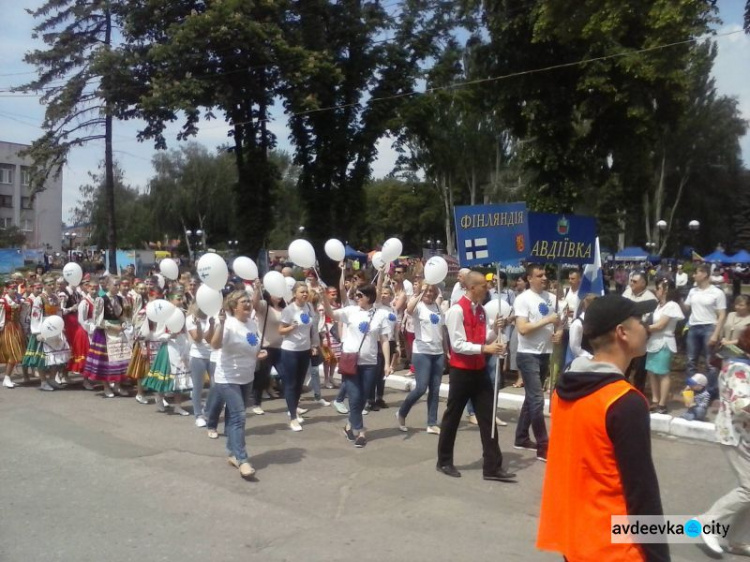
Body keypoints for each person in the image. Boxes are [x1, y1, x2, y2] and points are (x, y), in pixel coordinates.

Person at [537, 294, 666, 561]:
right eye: (640, 321)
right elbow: (642, 492)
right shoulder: (624, 401)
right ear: (622, 333)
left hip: (575, 543)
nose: (646, 327)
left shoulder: (563, 390)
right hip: (617, 550)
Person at [436, 271, 516, 481]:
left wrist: (495, 329)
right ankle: (444, 460)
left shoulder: (481, 310)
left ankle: (492, 466)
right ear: (472, 288)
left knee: (488, 418)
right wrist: (485, 349)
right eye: (483, 285)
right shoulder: (456, 311)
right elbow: (458, 345)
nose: (487, 288)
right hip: (461, 371)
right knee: (452, 416)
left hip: (479, 370)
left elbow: (484, 338)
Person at [697, 325, 750, 555]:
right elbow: (742, 404)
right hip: (735, 433)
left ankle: (738, 539)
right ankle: (707, 521)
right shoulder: (740, 367)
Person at [321, 283, 391, 448]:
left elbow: (385, 340)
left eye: (360, 295)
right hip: (350, 361)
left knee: (363, 398)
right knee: (354, 397)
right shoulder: (350, 311)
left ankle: (348, 426)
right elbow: (331, 314)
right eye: (356, 295)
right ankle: (360, 431)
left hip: (370, 363)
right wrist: (324, 298)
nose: (356, 298)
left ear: (369, 297)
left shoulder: (380, 314)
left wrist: (387, 363)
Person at [208, 291, 265, 480]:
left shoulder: (252, 323)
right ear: (234, 307)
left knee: (233, 417)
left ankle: (232, 453)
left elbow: (252, 345)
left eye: (249, 301)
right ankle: (242, 460)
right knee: (240, 417)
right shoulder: (229, 324)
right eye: (244, 302)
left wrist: (258, 354)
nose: (248, 304)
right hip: (227, 378)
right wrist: (221, 324)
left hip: (246, 376)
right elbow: (215, 345)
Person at [513, 263, 561, 462]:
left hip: (545, 353)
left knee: (531, 399)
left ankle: (521, 437)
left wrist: (559, 332)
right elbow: (522, 328)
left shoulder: (552, 298)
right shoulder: (523, 299)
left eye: (545, 274)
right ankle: (543, 445)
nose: (543, 278)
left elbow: (559, 322)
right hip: (527, 354)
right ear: (529, 278)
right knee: (537, 399)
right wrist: (548, 321)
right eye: (539, 275)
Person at [397, 282, 447, 434]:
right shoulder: (418, 307)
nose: (429, 293)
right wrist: (421, 292)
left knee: (435, 388)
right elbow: (409, 309)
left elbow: (442, 330)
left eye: (432, 291)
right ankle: (402, 412)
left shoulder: (438, 307)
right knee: (421, 388)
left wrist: (446, 350)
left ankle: (432, 423)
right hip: (422, 352)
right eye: (427, 291)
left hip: (438, 352)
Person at [81, 277, 132, 398]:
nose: (117, 287)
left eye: (118, 285)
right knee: (105, 361)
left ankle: (118, 385)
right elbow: (97, 320)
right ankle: (106, 386)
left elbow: (122, 316)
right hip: (105, 332)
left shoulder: (120, 299)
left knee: (120, 358)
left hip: (118, 332)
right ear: (108, 286)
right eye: (115, 285)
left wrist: (124, 323)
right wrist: (112, 327)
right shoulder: (101, 300)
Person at [278, 282, 319, 432]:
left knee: (299, 384)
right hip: (290, 351)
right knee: (290, 384)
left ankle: (293, 409)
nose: (305, 294)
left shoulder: (309, 307)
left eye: (306, 292)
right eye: (301, 292)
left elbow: (313, 328)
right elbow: (280, 331)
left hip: (305, 350)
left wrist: (314, 345)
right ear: (295, 294)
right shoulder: (289, 310)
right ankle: (293, 418)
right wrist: (291, 327)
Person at [684, 263, 727, 398]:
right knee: (691, 361)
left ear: (704, 274)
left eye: (696, 273)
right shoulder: (692, 291)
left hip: (709, 327)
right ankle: (691, 390)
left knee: (710, 363)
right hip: (693, 327)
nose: (694, 275)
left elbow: (722, 314)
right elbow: (685, 308)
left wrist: (716, 334)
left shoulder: (717, 292)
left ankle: (712, 393)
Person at [646, 280, 684, 414]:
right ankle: (655, 400)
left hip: (664, 341)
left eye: (658, 288)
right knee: (651, 372)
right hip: (653, 341)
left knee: (662, 373)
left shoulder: (672, 305)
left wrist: (642, 328)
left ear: (666, 290)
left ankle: (662, 404)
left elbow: (660, 325)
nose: (656, 291)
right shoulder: (658, 306)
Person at [622, 272, 657, 393]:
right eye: (631, 281)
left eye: (634, 281)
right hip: (625, 335)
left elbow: (647, 319)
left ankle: (638, 393)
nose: (631, 283)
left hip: (640, 338)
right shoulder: (626, 293)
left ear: (643, 283)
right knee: (624, 367)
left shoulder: (650, 299)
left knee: (640, 369)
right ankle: (622, 391)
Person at [186, 303, 212, 426]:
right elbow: (198, 338)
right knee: (198, 386)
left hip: (213, 355)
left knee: (217, 385)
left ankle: (207, 410)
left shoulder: (213, 316)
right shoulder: (191, 318)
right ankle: (198, 415)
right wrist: (198, 325)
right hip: (198, 356)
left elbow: (212, 338)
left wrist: (213, 324)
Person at [0, 283, 26, 388]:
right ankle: (6, 377)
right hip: (7, 328)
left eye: (15, 288)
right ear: (6, 289)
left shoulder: (18, 300)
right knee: (12, 353)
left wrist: (24, 327)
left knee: (16, 353)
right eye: (12, 288)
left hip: (17, 327)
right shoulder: (3, 302)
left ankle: (7, 377)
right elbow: (1, 317)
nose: (14, 290)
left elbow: (22, 315)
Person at [564, 294, 597, 369]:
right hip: (580, 365)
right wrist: (591, 357)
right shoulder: (577, 324)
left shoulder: (593, 322)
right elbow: (575, 348)